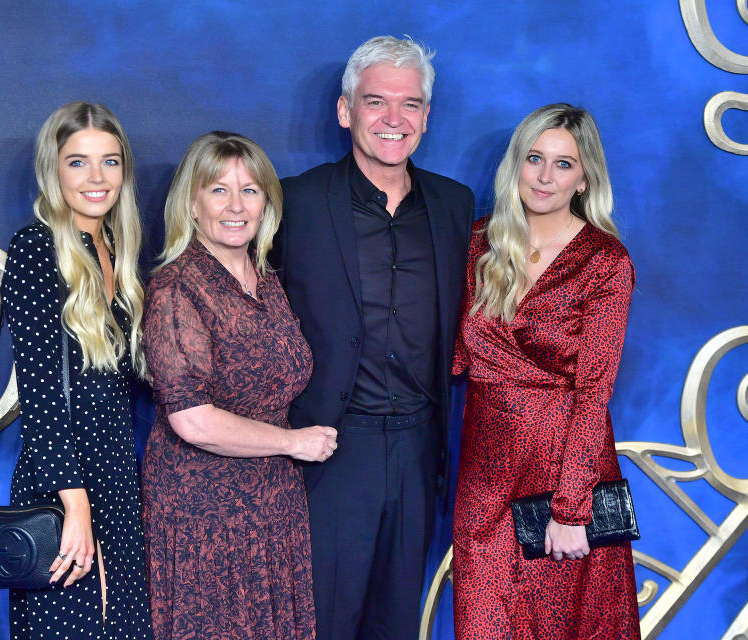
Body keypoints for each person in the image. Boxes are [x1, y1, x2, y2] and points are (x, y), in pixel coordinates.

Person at [270, 36, 475, 640]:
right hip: (331, 449)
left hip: (419, 448)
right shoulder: (295, 202)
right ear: (345, 111)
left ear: (426, 117)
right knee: (322, 622)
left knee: (396, 624)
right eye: (376, 102)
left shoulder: (455, 206)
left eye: (409, 105)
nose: (393, 120)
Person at [451, 103, 640, 639]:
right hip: (485, 474)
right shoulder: (480, 243)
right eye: (535, 158)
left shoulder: (606, 261)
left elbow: (595, 390)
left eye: (563, 164)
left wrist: (572, 506)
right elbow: (451, 354)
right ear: (518, 163)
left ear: (584, 179)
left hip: (562, 471)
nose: (544, 176)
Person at [140, 131, 336, 639]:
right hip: (205, 513)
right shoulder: (176, 287)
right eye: (218, 190)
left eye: (249, 190)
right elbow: (192, 420)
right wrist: (294, 442)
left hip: (272, 507)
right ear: (191, 201)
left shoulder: (265, 278)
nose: (235, 206)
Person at [1, 101, 153, 639]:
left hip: (116, 474)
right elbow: (41, 398)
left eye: (110, 162)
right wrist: (75, 507)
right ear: (52, 168)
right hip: (63, 483)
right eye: (78, 162)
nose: (96, 178)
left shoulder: (115, 248)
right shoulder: (35, 249)